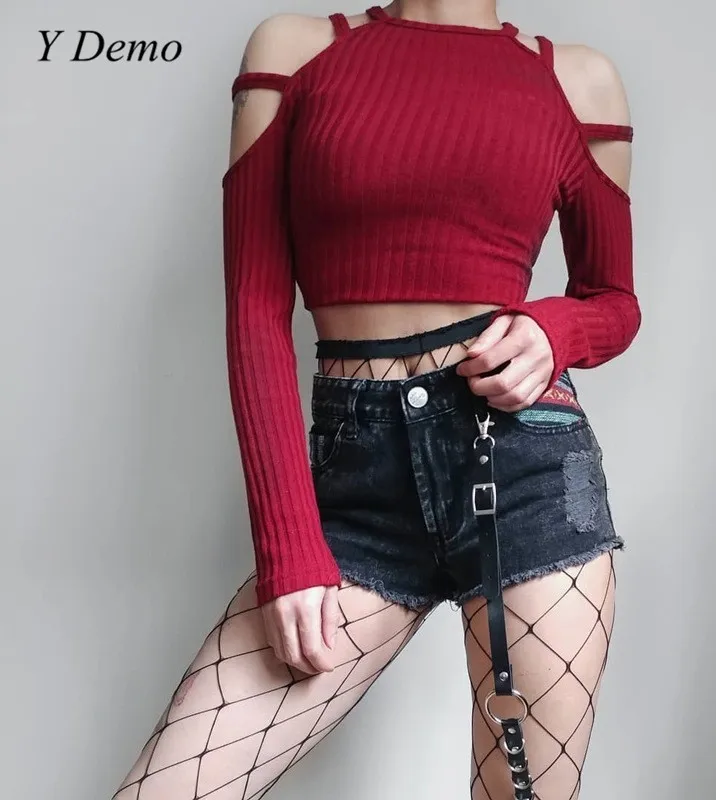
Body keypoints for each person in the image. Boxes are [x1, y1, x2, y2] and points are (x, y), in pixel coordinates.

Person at [111, 3, 640, 798]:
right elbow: (256, 308)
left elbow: (613, 301)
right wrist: (288, 550)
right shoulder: (296, 51)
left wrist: (552, 330)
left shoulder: (576, 78)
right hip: (353, 493)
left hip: (523, 470)